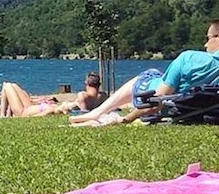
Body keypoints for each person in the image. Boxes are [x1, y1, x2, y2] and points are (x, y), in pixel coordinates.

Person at [72, 20, 219, 126]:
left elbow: (155, 101)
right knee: (157, 74)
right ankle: (98, 111)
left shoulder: (189, 58)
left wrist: (126, 119)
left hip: (147, 93)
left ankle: (99, 112)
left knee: (148, 74)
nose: (205, 44)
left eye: (208, 38)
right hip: (191, 106)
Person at [0, 83, 73, 117]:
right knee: (14, 85)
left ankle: (2, 115)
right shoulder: (54, 106)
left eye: (65, 105)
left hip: (22, 112)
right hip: (28, 106)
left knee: (7, 86)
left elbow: (37, 116)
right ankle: (7, 114)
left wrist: (21, 117)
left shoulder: (51, 110)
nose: (65, 103)